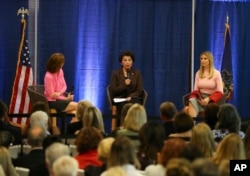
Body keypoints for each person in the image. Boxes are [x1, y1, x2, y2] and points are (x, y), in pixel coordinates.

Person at [184, 51, 224, 118]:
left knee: (187, 109)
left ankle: (195, 124)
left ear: (210, 60)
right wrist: (200, 99)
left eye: (205, 58)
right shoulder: (198, 73)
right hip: (200, 98)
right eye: (201, 58)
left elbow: (220, 92)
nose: (202, 60)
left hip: (212, 99)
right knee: (191, 102)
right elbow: (195, 91)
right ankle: (192, 124)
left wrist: (208, 99)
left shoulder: (216, 73)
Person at [110, 50, 144, 126]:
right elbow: (113, 91)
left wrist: (131, 97)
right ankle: (122, 128)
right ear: (121, 62)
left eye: (129, 60)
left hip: (133, 98)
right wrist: (124, 85)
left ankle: (136, 128)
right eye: (125, 60)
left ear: (132, 62)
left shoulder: (137, 73)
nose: (127, 62)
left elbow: (139, 90)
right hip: (120, 99)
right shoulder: (116, 74)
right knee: (123, 106)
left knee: (134, 105)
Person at [44, 53, 78, 120]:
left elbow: (64, 86)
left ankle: (71, 128)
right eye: (61, 63)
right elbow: (52, 96)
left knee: (76, 113)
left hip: (60, 98)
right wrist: (65, 98)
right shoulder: (48, 76)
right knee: (79, 107)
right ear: (56, 64)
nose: (62, 65)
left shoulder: (60, 71)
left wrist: (59, 93)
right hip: (52, 101)